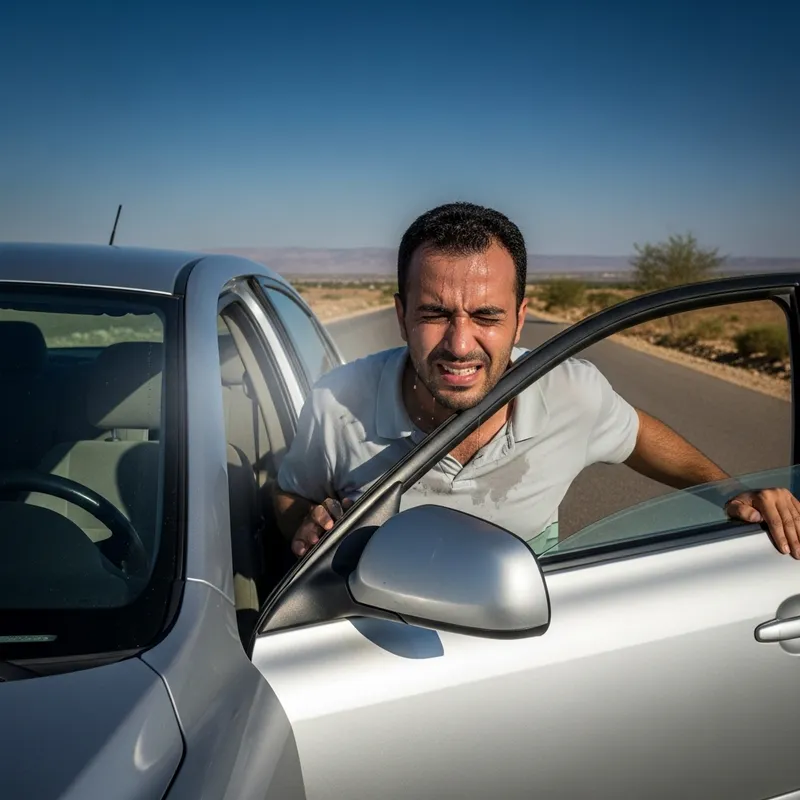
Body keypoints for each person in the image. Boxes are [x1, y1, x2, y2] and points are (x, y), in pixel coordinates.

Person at [274, 201, 800, 560]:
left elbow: (640, 435)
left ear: (520, 319)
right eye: (435, 313)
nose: (459, 345)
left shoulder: (569, 390)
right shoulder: (336, 402)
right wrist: (303, 525)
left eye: (486, 316)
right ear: (400, 314)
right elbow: (290, 496)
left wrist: (732, 493)